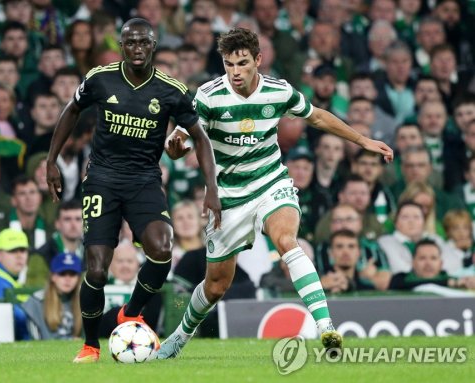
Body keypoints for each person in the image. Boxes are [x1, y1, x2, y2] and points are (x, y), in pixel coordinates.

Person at [160, 27, 393, 359]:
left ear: (258, 59)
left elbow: (318, 117)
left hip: (272, 182)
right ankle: (181, 336)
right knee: (215, 287)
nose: (236, 72)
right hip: (229, 197)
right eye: (229, 65)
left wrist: (363, 141)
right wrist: (173, 148)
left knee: (286, 240)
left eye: (242, 63)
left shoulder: (278, 91)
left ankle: (326, 327)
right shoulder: (208, 96)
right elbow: (182, 144)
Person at [45, 18, 221, 363]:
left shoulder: (171, 90)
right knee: (96, 269)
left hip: (143, 180)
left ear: (153, 46)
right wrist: (51, 160)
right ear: (122, 46)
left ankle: (131, 311)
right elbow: (72, 110)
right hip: (102, 179)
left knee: (163, 248)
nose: (137, 49)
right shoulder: (100, 78)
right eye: (130, 43)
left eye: (143, 43)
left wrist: (210, 186)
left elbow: (199, 137)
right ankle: (91, 345)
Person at [22, 252, 82, 340]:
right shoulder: (36, 301)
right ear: (53, 276)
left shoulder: (84, 301)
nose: (68, 279)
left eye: (72, 274)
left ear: (78, 278)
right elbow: (35, 342)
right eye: (62, 274)